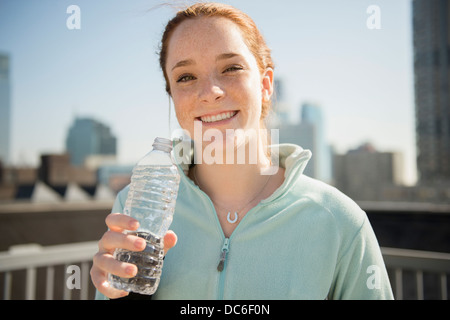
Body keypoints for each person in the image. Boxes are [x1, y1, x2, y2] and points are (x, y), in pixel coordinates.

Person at [91, 2, 394, 300]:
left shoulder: (340, 222)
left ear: (265, 85)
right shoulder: (133, 209)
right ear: (172, 95)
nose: (210, 92)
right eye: (186, 77)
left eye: (231, 68)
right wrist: (119, 297)